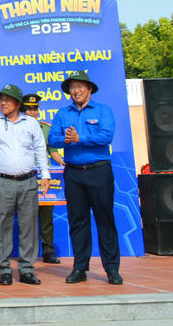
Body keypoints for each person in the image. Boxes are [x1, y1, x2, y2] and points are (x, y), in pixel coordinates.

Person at [48, 70, 122, 285]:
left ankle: (112, 269)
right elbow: (52, 138)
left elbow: (106, 136)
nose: (76, 91)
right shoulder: (63, 114)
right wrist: (66, 140)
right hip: (73, 173)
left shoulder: (103, 110)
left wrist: (80, 138)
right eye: (72, 87)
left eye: (80, 86)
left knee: (104, 219)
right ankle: (80, 268)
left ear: (90, 89)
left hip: (99, 171)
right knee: (78, 221)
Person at [0, 84, 49, 287]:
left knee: (29, 226)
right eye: (1, 99)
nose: (3, 103)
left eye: (8, 100)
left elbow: (40, 149)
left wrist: (44, 174)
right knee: (2, 226)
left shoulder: (31, 123)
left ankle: (27, 269)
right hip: (2, 181)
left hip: (28, 180)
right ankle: (4, 269)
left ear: (18, 103)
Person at [23, 92, 63, 263]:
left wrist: (63, 163)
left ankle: (48, 251)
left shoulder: (45, 129)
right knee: (27, 218)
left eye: (34, 109)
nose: (32, 112)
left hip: (44, 178)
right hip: (24, 177)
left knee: (46, 216)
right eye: (28, 109)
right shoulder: (16, 128)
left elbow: (52, 151)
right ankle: (28, 252)